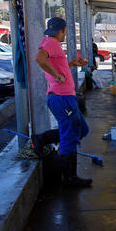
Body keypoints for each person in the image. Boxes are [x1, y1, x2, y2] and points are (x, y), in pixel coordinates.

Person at [33, 17, 92, 188]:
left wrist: (72, 63)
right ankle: (70, 178)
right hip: (62, 98)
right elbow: (39, 58)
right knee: (69, 135)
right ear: (63, 30)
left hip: (65, 97)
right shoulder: (51, 42)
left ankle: (42, 139)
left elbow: (54, 64)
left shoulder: (49, 42)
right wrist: (58, 76)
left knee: (81, 129)